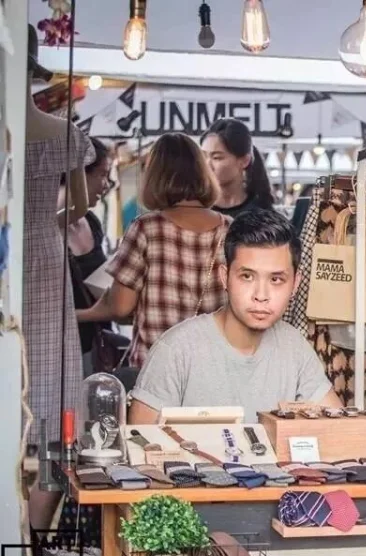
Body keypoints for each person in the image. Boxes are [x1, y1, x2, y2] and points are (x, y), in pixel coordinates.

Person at [129, 210, 342, 423]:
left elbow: (338, 426)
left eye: (276, 280)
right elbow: (139, 438)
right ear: (225, 277)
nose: (261, 295)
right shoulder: (176, 350)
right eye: (247, 276)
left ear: (295, 284)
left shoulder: (293, 346)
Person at [77, 132, 230, 368]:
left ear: (155, 176)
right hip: (214, 365)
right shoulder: (230, 228)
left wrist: (81, 314)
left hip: (156, 368)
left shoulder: (145, 228)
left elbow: (121, 306)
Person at [61, 137, 119, 373]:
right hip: (63, 352)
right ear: (79, 176)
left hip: (98, 349)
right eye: (102, 175)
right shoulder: (47, 228)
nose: (106, 185)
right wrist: (93, 313)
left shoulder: (91, 221)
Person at [200, 118, 275, 218]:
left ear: (244, 161)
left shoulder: (263, 215)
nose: (207, 165)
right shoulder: (193, 210)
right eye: (203, 156)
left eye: (217, 157)